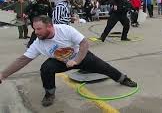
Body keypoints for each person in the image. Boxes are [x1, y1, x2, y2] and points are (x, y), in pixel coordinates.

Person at [0, 16, 137, 107]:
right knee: (46, 68)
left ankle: (123, 79)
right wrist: (3, 75)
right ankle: (49, 93)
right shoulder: (38, 43)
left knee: (104, 67)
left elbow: (84, 43)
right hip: (60, 61)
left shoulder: (65, 30)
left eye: (39, 29)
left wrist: (77, 60)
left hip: (80, 56)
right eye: (34, 29)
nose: (36, 32)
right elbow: (22, 60)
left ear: (49, 26)